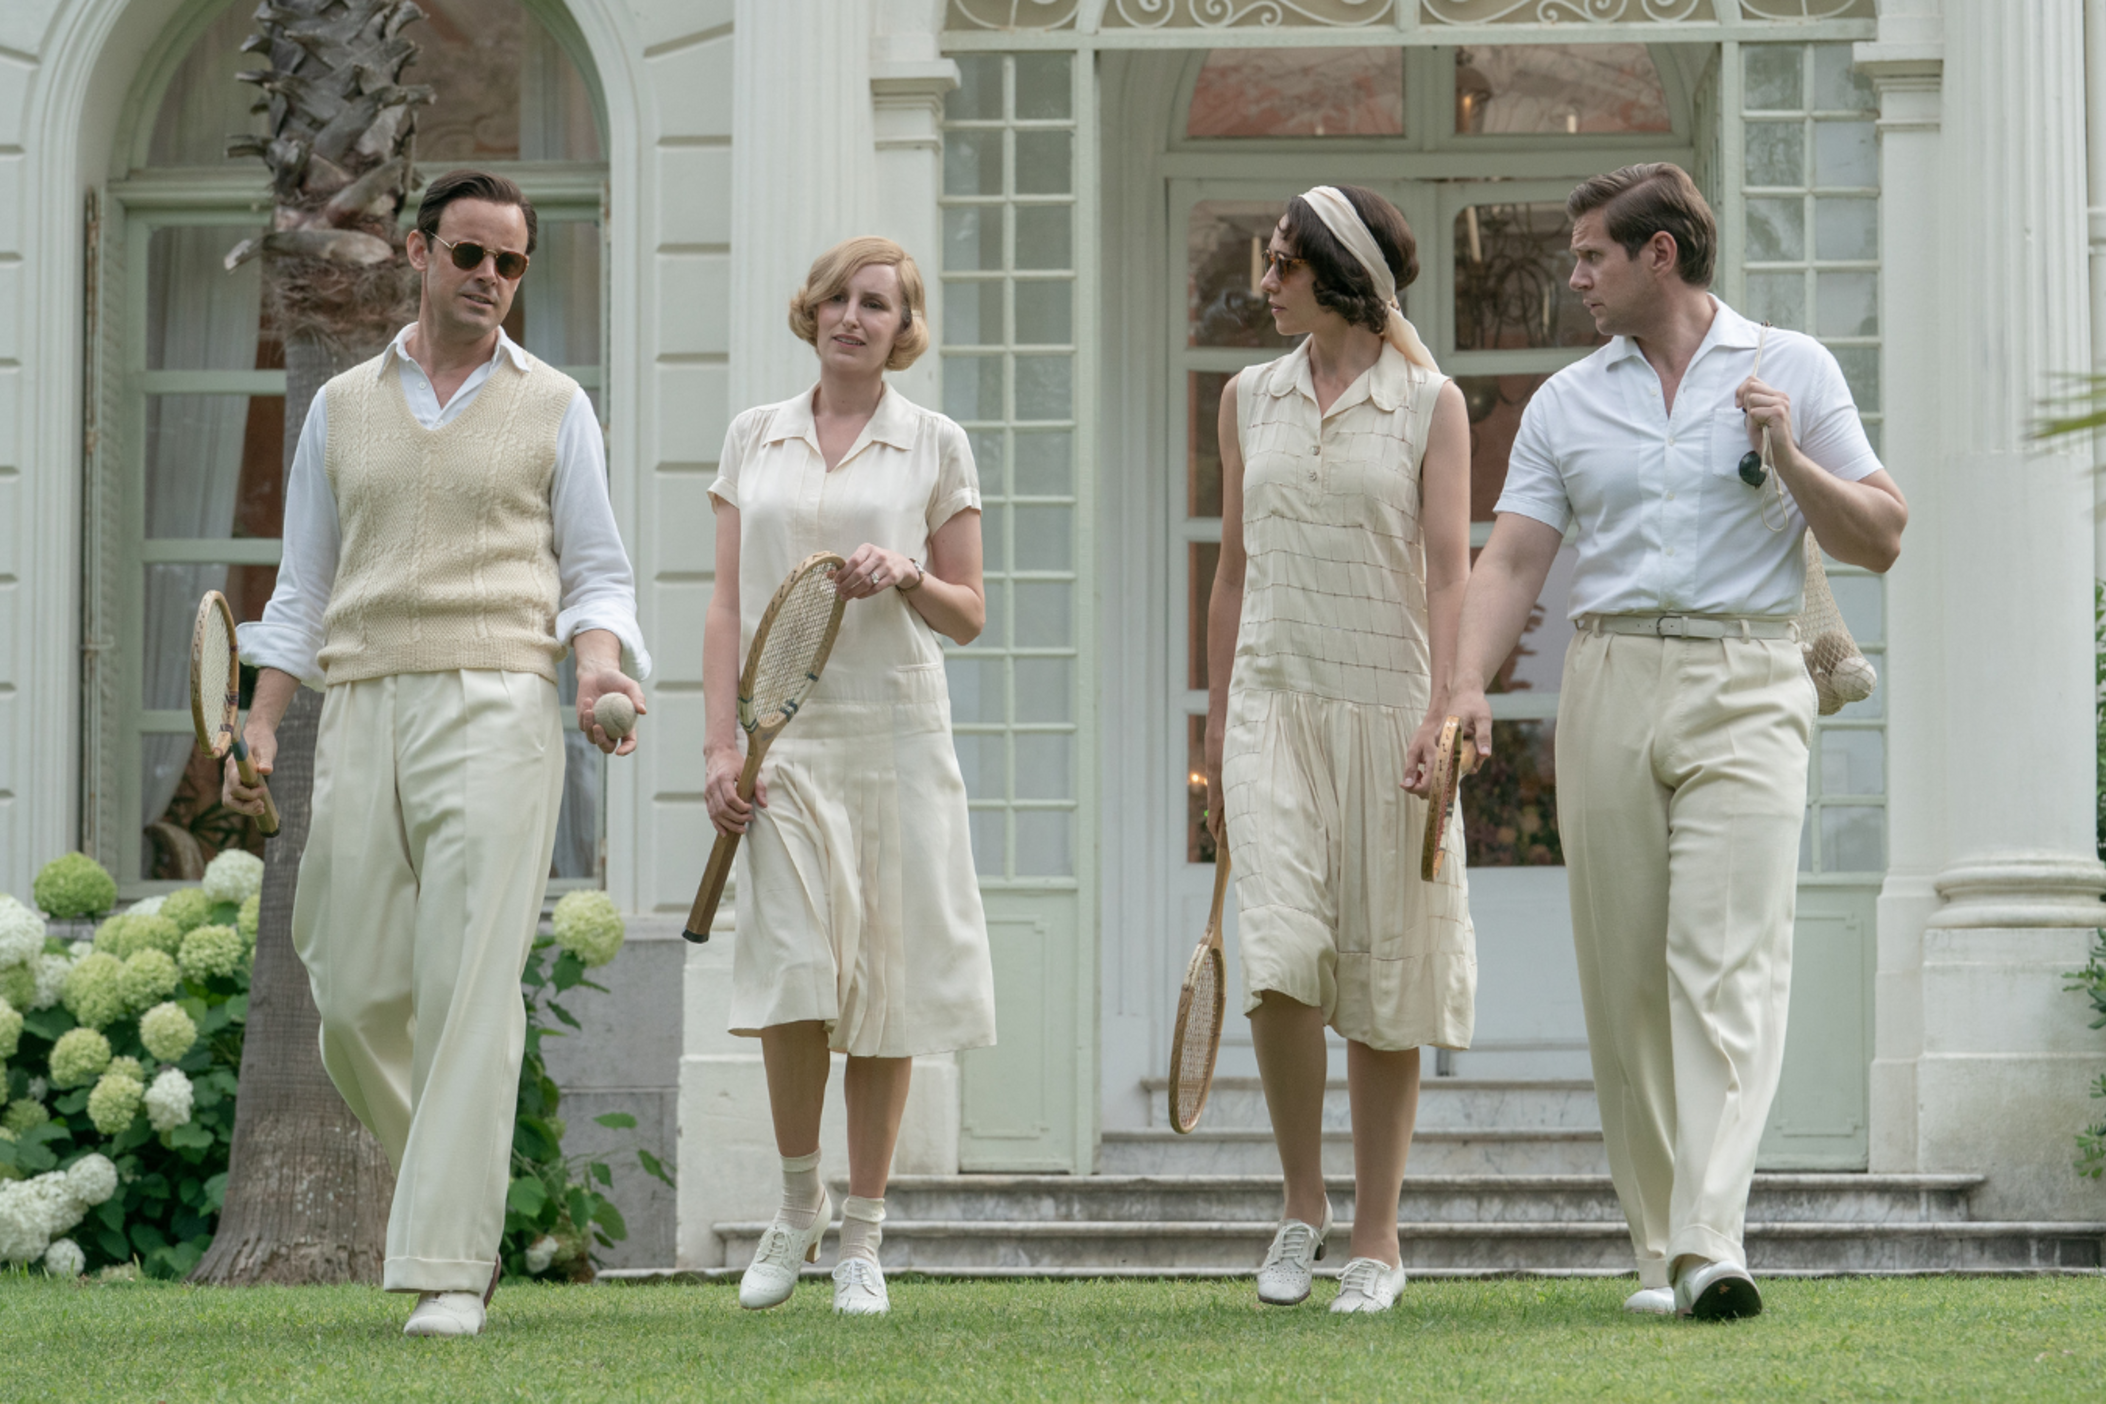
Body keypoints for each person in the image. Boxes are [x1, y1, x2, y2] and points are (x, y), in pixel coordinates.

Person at [1447, 164, 1906, 1320]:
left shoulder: (1790, 366)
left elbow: (1884, 535)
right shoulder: (1564, 402)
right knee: (1626, 978)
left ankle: (1711, 1236)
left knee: (1727, 960)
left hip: (1749, 676)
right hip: (1607, 677)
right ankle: (1663, 1250)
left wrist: (1792, 459)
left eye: (1593, 254)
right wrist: (1461, 687)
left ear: (1662, 255)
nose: (1575, 275)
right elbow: (1509, 563)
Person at [224, 169, 651, 1338]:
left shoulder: (556, 402)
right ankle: (458, 1198)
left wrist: (600, 667)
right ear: (416, 253)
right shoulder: (341, 408)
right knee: (351, 990)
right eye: (470, 256)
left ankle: (449, 1269)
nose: (491, 280)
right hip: (359, 702)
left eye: (511, 265)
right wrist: (263, 716)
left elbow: (596, 567)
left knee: (471, 984)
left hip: (500, 701)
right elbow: (303, 584)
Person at [704, 236, 996, 1317]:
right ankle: (796, 1208)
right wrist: (721, 747)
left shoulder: (934, 444)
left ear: (902, 326)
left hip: (897, 741)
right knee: (792, 978)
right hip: (784, 746)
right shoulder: (753, 437)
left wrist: (910, 572)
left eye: (877, 304)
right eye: (837, 298)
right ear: (811, 311)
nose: (853, 318)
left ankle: (863, 1236)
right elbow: (728, 607)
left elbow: (969, 612)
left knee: (885, 985)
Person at [1203, 185, 1475, 1314]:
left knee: (1383, 970)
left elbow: (1454, 571)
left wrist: (1449, 714)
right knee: (1277, 957)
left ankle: (1377, 1234)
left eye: (1281, 266)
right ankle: (1300, 1206)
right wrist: (1216, 738)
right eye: (1267, 265)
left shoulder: (1432, 404)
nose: (1263, 285)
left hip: (1390, 713)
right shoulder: (1244, 398)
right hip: (1272, 709)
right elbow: (1229, 574)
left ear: (1340, 275)